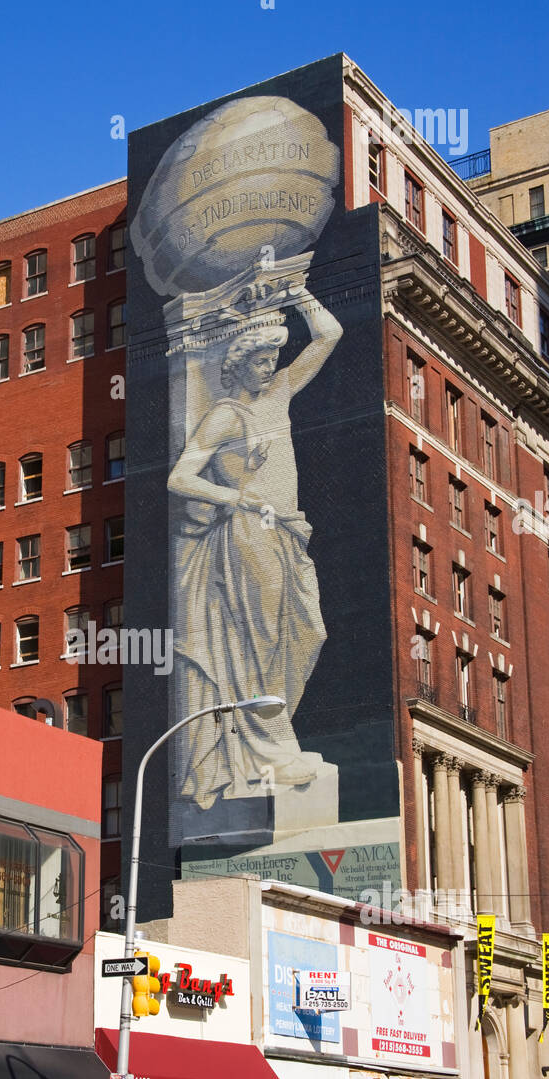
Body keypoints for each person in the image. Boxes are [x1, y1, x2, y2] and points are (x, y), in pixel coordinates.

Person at [167, 285, 343, 807]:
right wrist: (235, 496)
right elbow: (179, 477)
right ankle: (270, 746)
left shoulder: (282, 392)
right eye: (260, 360)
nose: (269, 366)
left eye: (272, 358)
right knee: (262, 635)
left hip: (288, 529)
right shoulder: (224, 416)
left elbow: (329, 334)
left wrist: (300, 293)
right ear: (238, 365)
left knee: (306, 628)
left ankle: (275, 735)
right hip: (248, 531)